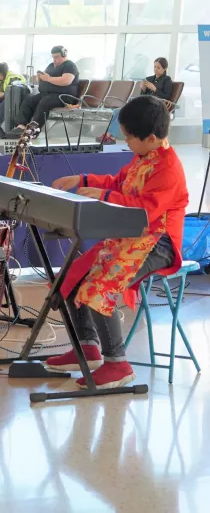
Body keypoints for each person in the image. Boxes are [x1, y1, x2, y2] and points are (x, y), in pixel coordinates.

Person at [46, 95, 188, 389]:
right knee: (73, 275)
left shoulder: (168, 168)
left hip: (157, 243)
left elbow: (146, 209)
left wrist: (104, 196)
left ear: (150, 138)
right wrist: (83, 179)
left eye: (129, 137)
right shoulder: (143, 157)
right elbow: (118, 183)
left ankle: (117, 363)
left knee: (100, 285)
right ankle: (87, 346)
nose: (126, 143)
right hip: (130, 236)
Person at [98, 57, 174, 144]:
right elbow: (143, 96)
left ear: (165, 69)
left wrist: (155, 89)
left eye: (158, 67)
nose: (155, 69)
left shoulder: (167, 80)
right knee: (117, 111)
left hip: (154, 107)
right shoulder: (149, 79)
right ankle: (110, 136)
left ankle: (110, 136)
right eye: (154, 67)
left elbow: (166, 97)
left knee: (121, 111)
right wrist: (143, 89)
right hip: (145, 104)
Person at [8, 45, 79, 135]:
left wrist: (48, 79)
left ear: (64, 55)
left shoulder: (70, 65)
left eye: (57, 57)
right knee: (29, 100)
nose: (54, 60)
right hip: (48, 94)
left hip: (64, 96)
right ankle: (21, 126)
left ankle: (34, 129)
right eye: (53, 57)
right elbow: (45, 79)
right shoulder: (51, 66)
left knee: (45, 102)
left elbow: (66, 81)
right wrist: (40, 77)